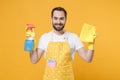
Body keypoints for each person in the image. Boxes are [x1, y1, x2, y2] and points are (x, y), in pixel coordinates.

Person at [28, 7, 95, 80]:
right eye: (55, 18)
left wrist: (91, 44)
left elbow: (88, 59)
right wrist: (30, 41)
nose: (58, 22)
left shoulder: (73, 37)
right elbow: (34, 60)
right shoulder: (44, 37)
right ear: (51, 19)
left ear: (65, 19)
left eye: (61, 18)